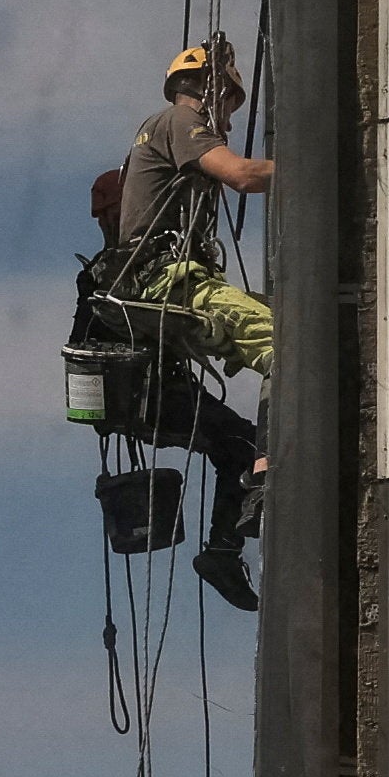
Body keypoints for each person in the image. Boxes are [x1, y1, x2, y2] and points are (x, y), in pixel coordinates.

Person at [111, 38, 278, 609]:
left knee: (233, 438)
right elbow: (244, 176)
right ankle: (265, 475)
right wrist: (331, 162)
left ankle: (223, 549)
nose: (228, 117)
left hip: (162, 283)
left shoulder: (158, 127)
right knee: (293, 344)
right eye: (229, 102)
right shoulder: (181, 121)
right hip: (170, 280)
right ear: (211, 90)